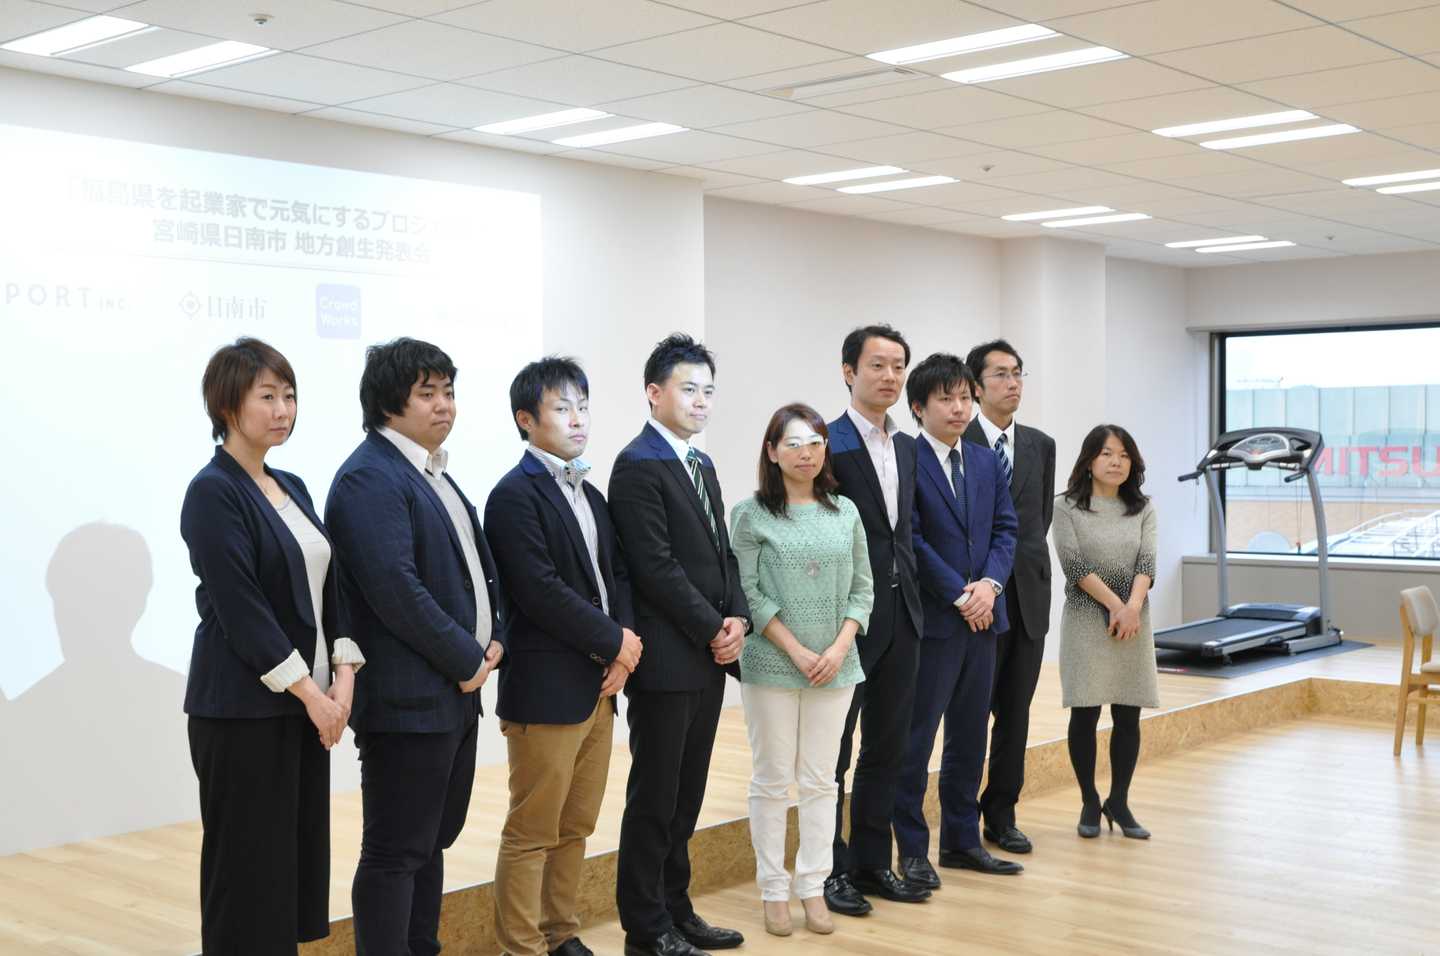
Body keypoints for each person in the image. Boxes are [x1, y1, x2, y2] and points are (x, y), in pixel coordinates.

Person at [180, 337, 364, 956]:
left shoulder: (292, 484)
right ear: (226, 405)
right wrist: (313, 695)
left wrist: (343, 676)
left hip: (303, 706)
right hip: (242, 711)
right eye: (267, 396)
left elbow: (331, 588)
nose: (283, 409)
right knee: (247, 875)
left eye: (289, 396)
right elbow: (243, 612)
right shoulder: (213, 491)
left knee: (288, 871)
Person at [325, 337, 506, 956]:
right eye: (427, 393)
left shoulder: (431, 471)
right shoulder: (368, 477)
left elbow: (474, 573)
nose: (444, 405)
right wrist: (466, 659)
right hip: (408, 705)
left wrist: (496, 638)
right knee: (394, 852)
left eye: (449, 391)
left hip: (451, 697)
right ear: (387, 404)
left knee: (429, 846)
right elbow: (395, 592)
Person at [486, 357, 643, 956]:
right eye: (561, 408)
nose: (578, 419)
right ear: (526, 420)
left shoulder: (590, 493)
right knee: (532, 831)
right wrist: (614, 641)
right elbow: (539, 591)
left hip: (599, 687)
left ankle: (561, 933)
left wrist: (624, 649)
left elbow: (616, 578)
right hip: (546, 690)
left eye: (583, 406)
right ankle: (522, 945)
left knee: (575, 827)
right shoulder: (512, 496)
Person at [609, 333, 751, 956]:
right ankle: (646, 928)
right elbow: (656, 568)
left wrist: (738, 617)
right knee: (655, 798)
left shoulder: (701, 463)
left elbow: (723, 555)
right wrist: (712, 628)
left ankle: (677, 910)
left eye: (708, 391)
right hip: (667, 659)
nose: (700, 402)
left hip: (707, 658)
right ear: (654, 393)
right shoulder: (637, 464)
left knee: (686, 796)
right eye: (688, 389)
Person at [730, 404, 873, 938]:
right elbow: (747, 592)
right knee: (771, 780)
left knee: (820, 781)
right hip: (771, 663)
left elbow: (864, 588)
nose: (806, 453)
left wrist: (838, 648)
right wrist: (794, 649)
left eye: (815, 442)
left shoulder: (846, 511)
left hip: (836, 666)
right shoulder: (750, 514)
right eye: (793, 443)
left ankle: (813, 884)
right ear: (772, 452)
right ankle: (773, 889)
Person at [893, 353, 1019, 888]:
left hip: (984, 620)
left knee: (970, 738)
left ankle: (963, 842)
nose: (959, 408)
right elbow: (910, 538)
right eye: (946, 399)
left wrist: (989, 587)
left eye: (965, 397)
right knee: (917, 740)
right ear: (918, 408)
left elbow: (1007, 530)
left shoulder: (986, 460)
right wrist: (960, 595)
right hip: (936, 623)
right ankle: (912, 850)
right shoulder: (905, 458)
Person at [822, 325, 930, 915]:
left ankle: (871, 863)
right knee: (834, 753)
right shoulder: (826, 442)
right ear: (849, 372)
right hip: (848, 621)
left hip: (903, 615)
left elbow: (903, 532)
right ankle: (829, 870)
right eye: (878, 365)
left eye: (898, 366)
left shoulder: (908, 446)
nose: (890, 376)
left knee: (887, 748)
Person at [962, 340, 1056, 856]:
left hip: (1028, 598)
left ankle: (1001, 815)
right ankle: (960, 819)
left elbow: (1037, 521)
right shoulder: (959, 439)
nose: (1012, 383)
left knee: (1015, 715)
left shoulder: (1041, 444)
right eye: (1000, 374)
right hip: (977, 599)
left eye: (1017, 373)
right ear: (976, 387)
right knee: (971, 715)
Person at [1052, 424, 1159, 841]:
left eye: (1124, 455)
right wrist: (1116, 605)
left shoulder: (1143, 508)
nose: (1116, 462)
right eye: (1107, 454)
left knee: (1128, 713)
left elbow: (1147, 562)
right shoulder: (1066, 507)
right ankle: (1089, 801)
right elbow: (1073, 564)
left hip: (1134, 623)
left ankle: (1119, 801)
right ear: (1089, 461)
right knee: (1085, 711)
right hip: (1086, 619)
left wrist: (1131, 608)